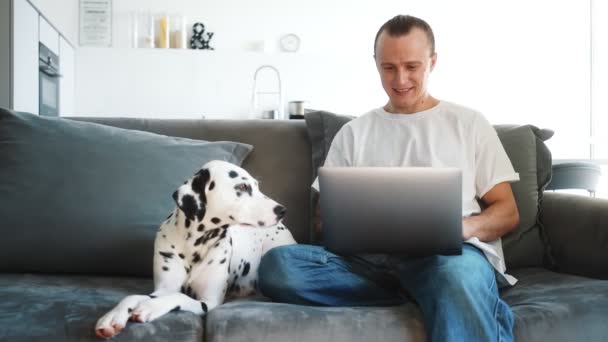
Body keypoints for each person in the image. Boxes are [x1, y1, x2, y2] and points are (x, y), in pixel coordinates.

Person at [258, 14, 519, 342]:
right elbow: (324, 221)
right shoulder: (354, 133)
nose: (401, 80)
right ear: (376, 64)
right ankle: (434, 294)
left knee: (455, 275)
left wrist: (464, 227)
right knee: (277, 267)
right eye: (389, 68)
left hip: (449, 258)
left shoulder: (468, 124)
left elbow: (507, 211)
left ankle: (445, 290)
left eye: (412, 67)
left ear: (432, 62)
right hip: (369, 266)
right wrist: (351, 226)